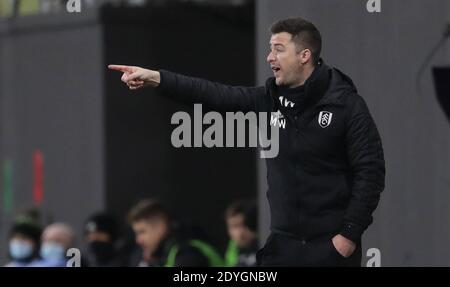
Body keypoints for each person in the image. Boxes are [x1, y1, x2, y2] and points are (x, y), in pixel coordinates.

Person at [109, 17, 385, 266]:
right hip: (283, 246)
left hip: (330, 249)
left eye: (278, 49)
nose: (269, 57)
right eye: (269, 48)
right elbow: (213, 94)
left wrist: (348, 235)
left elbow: (370, 171)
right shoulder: (268, 99)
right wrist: (157, 78)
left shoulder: (346, 105)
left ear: (304, 55)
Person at [128, 199, 223, 267]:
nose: (138, 240)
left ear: (161, 226)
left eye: (142, 232)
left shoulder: (189, 254)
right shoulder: (161, 256)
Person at [224, 200, 258, 267]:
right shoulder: (232, 252)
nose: (240, 232)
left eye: (244, 225)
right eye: (234, 226)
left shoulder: (266, 248)